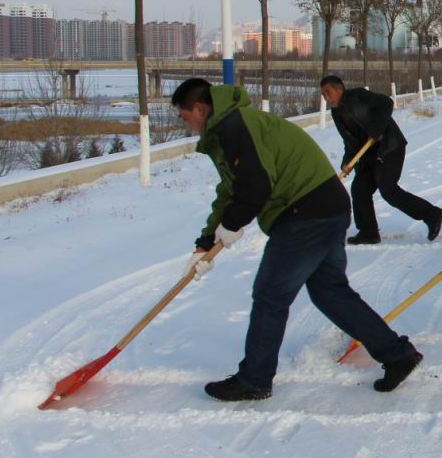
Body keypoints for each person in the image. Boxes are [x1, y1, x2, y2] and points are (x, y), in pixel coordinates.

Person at [173, 78, 421, 402]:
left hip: (306, 212)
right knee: (330, 293)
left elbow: (256, 186)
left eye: (183, 115)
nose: (183, 122)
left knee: (270, 295)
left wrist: (232, 226)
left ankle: (255, 378)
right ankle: (397, 354)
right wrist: (206, 239)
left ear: (200, 108)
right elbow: (230, 189)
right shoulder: (230, 126)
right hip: (325, 207)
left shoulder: (235, 127)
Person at [320, 75, 442, 245]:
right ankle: (368, 233)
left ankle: (432, 215)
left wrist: (376, 130)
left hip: (388, 148)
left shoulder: (357, 96)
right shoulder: (336, 113)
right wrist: (347, 161)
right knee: (359, 190)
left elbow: (386, 103)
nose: (326, 98)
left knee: (388, 190)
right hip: (368, 156)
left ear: (339, 88)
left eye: (328, 93)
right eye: (323, 95)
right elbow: (349, 140)